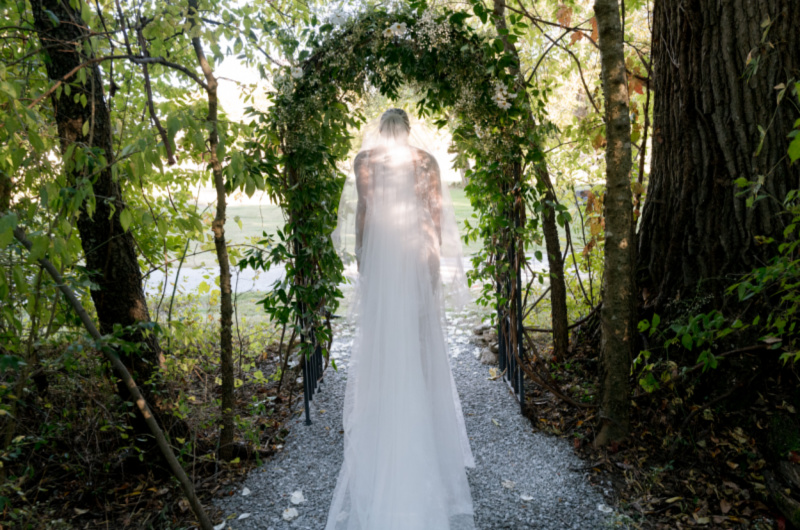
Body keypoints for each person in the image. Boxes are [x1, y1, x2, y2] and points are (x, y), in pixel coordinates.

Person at [326, 109, 476, 529]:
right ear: (408, 131)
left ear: (381, 130)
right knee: (420, 341)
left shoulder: (365, 161)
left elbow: (364, 213)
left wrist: (364, 259)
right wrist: (431, 266)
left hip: (385, 257)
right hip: (413, 255)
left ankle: (386, 419)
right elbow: (433, 216)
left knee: (382, 342)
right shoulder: (425, 160)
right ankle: (421, 423)